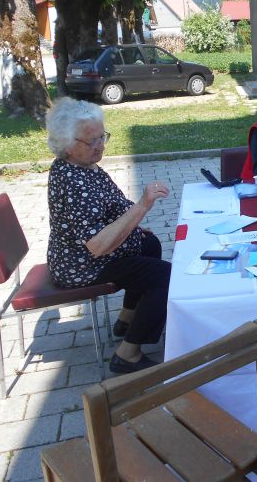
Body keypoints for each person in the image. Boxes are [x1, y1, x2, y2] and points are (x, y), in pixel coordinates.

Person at [45, 97, 171, 375]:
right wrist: (141, 207)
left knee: (148, 243)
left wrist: (133, 223)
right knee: (165, 276)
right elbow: (98, 246)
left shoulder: (83, 166)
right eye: (92, 141)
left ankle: (127, 321)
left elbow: (113, 205)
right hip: (80, 265)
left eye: (102, 136)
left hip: (84, 256)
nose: (101, 145)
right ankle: (128, 354)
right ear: (66, 145)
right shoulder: (73, 181)